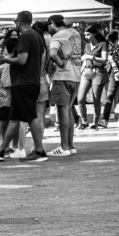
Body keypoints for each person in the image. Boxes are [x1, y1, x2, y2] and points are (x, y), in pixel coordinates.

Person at [0, 11, 48, 162]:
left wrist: (4, 60)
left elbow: (22, 60)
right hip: (30, 81)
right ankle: (0, 150)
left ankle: (39, 151)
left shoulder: (25, 36)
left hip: (24, 82)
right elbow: (42, 59)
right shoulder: (38, 36)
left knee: (30, 116)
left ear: (18, 22)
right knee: (14, 118)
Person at [47, 14, 82, 156]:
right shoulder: (75, 33)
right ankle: (70, 146)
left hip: (62, 76)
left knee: (62, 111)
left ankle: (63, 147)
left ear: (52, 23)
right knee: (68, 110)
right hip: (75, 75)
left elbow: (52, 54)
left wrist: (60, 64)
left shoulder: (57, 36)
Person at [77, 24, 108, 130]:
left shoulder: (102, 44)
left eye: (88, 34)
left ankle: (95, 123)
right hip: (86, 72)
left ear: (94, 34)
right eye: (85, 35)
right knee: (80, 99)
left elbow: (105, 60)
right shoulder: (86, 45)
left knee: (96, 100)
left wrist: (90, 56)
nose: (86, 37)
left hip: (98, 73)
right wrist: (80, 72)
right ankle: (84, 121)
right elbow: (85, 61)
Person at [101, 26, 119, 127]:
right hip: (114, 72)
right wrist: (113, 64)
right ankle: (105, 119)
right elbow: (109, 55)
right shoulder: (114, 44)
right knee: (110, 95)